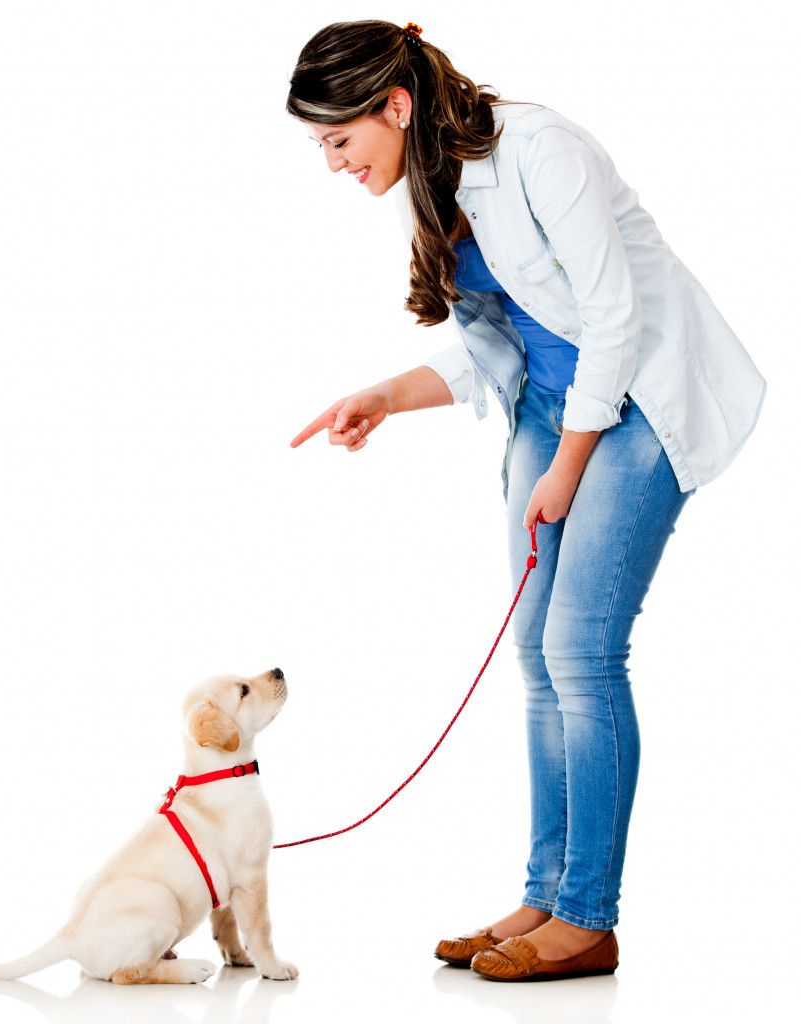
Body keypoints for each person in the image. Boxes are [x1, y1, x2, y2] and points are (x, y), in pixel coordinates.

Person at [286, 20, 765, 982]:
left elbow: (611, 317)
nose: (334, 165)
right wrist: (387, 395)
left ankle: (586, 918)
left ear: (395, 106)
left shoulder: (540, 150)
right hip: (553, 409)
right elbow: (507, 340)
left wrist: (565, 463)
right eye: (321, 149)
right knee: (539, 662)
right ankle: (544, 895)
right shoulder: (430, 187)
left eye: (340, 140)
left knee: (581, 653)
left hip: (633, 405)